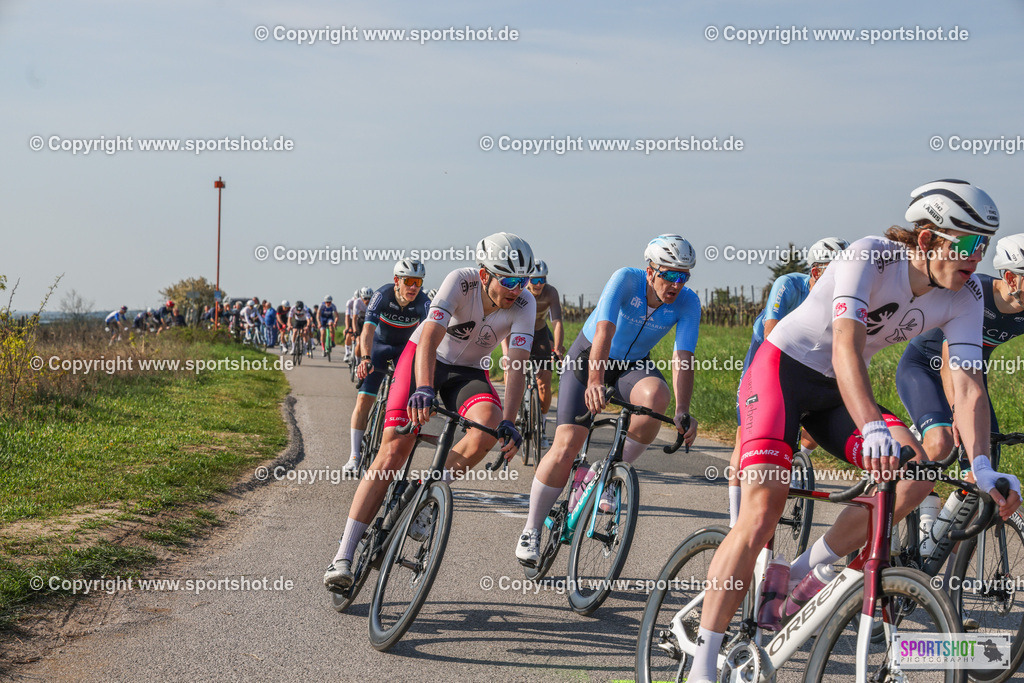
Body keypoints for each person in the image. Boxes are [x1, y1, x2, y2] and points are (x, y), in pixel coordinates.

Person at [688, 180, 1023, 683]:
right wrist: (871, 425)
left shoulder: (966, 294)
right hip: (783, 372)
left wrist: (981, 466)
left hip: (835, 394)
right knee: (762, 511)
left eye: (984, 246)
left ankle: (808, 570)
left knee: (918, 473)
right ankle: (704, 662)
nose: (978, 258)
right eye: (970, 244)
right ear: (929, 239)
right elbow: (845, 345)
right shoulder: (871, 256)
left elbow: (969, 385)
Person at [325, 233, 537, 589]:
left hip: (468, 372)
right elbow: (429, 338)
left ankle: (426, 492)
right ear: (485, 274)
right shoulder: (461, 281)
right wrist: (423, 387)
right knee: (394, 449)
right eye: (510, 280)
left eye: (524, 280)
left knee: (487, 425)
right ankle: (343, 556)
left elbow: (516, 366)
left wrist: (510, 422)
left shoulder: (525, 304)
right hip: (424, 358)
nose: (518, 288)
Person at [516, 235, 700, 567]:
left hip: (633, 364)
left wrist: (683, 410)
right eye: (669, 274)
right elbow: (603, 331)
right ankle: (531, 529)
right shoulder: (625, 280)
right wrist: (596, 380)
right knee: (567, 444)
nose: (677, 283)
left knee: (658, 396)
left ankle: (608, 470)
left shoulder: (687, 302)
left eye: (684, 275)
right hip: (589, 357)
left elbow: (682, 357)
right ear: (649, 271)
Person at [725, 237, 849, 526]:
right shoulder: (789, 285)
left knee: (819, 421)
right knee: (745, 438)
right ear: (816, 273)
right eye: (836, 274)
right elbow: (771, 333)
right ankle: (733, 522)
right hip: (766, 358)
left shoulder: (843, 298)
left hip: (807, 364)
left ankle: (796, 461)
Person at [896, 232, 1024, 475]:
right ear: (1011, 278)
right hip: (924, 369)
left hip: (971, 379)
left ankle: (955, 512)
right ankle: (887, 494)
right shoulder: (975, 292)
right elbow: (948, 362)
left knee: (984, 463)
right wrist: (957, 411)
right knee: (941, 444)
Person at [343, 259, 429, 473]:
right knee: (364, 398)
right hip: (379, 346)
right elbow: (368, 331)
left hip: (404, 350)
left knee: (406, 402)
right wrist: (365, 358)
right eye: (408, 281)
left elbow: (429, 339)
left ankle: (391, 452)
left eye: (418, 282)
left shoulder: (423, 303)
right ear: (396, 281)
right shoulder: (382, 296)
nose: (413, 287)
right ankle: (354, 456)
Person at [500, 259, 564, 448]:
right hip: (516, 333)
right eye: (534, 280)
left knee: (544, 382)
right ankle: (515, 409)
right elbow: (505, 324)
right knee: (512, 370)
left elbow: (557, 321)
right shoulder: (519, 291)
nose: (538, 284)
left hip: (540, 334)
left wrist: (558, 348)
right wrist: (505, 353)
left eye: (541, 280)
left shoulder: (550, 292)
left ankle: (542, 426)